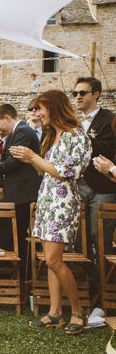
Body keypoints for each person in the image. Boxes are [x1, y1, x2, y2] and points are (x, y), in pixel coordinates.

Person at [11, 89, 92, 335]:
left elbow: (66, 172)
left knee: (54, 260)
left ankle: (78, 312)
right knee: (49, 261)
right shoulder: (52, 135)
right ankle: (54, 313)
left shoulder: (75, 135)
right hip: (47, 202)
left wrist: (33, 157)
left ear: (54, 108)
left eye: (40, 108)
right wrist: (31, 160)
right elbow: (47, 170)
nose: (36, 114)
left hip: (63, 204)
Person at [72, 77, 116, 300]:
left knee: (100, 236)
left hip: (104, 186)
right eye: (75, 93)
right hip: (81, 184)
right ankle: (86, 284)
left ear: (96, 94)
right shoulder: (75, 122)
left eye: (82, 93)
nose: (77, 97)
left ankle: (105, 290)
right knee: (80, 236)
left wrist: (83, 139)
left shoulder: (110, 119)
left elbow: (109, 146)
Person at [0, 104, 41, 281]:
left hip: (22, 194)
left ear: (7, 118)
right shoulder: (16, 133)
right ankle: (9, 274)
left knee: (13, 235)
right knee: (7, 234)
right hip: (16, 192)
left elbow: (13, 163)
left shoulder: (23, 132)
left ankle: (18, 276)